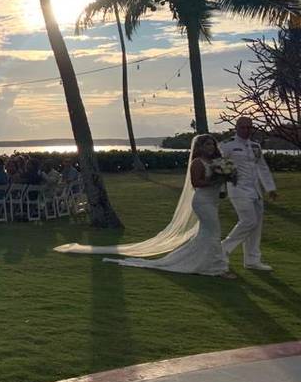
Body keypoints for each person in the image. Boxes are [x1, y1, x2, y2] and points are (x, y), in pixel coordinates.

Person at [101, 135, 234, 278]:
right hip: (202, 202)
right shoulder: (197, 162)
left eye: (212, 145)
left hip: (213, 201)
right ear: (200, 147)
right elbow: (196, 183)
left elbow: (218, 183)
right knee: (213, 232)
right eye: (207, 144)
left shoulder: (217, 162)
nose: (211, 147)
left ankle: (203, 262)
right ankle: (216, 267)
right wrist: (215, 180)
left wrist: (223, 181)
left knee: (207, 233)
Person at [220, 117, 277, 271]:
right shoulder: (227, 145)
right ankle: (223, 249)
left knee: (256, 225)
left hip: (255, 190)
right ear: (236, 128)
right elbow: (220, 167)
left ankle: (252, 260)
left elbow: (262, 167)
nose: (246, 130)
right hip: (237, 188)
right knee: (249, 220)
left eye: (249, 127)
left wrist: (270, 187)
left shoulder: (255, 146)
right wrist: (222, 189)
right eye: (243, 127)